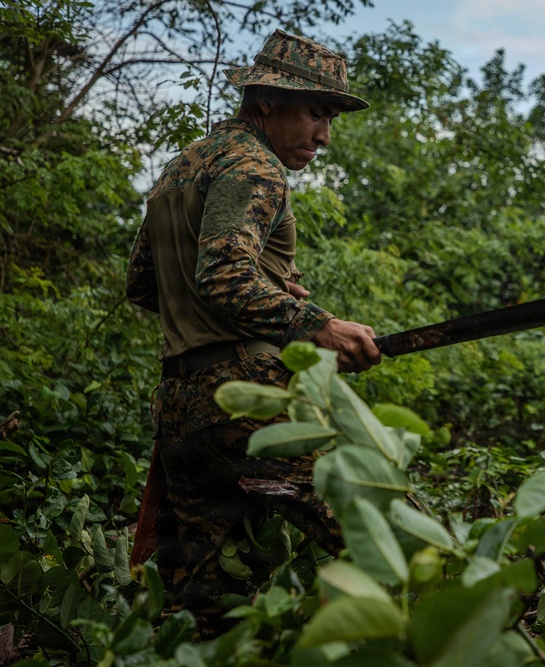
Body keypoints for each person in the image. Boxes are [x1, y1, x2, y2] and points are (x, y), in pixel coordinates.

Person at [125, 29, 381, 631]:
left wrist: (268, 292)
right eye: (316, 113)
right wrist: (314, 325)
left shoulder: (182, 168)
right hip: (246, 393)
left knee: (207, 606)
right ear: (266, 100)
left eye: (331, 118)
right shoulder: (256, 166)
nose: (323, 136)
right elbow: (223, 277)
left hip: (181, 409)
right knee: (386, 525)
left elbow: (144, 287)